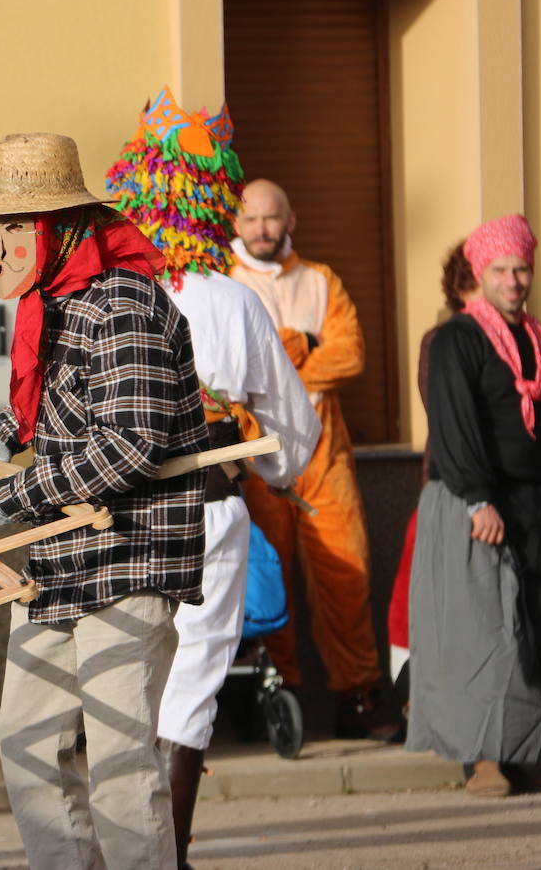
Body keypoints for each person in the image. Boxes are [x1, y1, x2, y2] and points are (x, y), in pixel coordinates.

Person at [0, 132, 208, 869]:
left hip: (129, 560)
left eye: (14, 225)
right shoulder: (53, 300)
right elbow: (53, 406)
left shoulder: (123, 302)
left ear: (61, 227)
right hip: (60, 560)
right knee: (26, 741)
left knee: (122, 765)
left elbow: (130, 442)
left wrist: (20, 490)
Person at [108, 90, 321, 867]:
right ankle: (167, 855)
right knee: (191, 687)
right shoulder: (234, 301)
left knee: (122, 681)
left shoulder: (103, 296)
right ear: (212, 197)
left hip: (116, 520)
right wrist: (272, 466)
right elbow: (294, 434)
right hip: (207, 516)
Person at [407, 214, 541, 797]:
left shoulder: (538, 341)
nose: (514, 280)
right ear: (480, 274)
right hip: (470, 501)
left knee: (534, 626)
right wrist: (477, 497)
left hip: (531, 503)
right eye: (502, 269)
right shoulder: (459, 338)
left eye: (522, 267)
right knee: (482, 632)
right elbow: (454, 424)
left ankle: (521, 751)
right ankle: (481, 759)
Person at [227, 179, 388, 737]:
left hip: (324, 454)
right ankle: (280, 689)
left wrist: (281, 353)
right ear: (234, 224)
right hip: (254, 455)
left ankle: (357, 695)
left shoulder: (322, 281)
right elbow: (233, 374)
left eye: (272, 218)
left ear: (291, 219)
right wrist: (307, 346)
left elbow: (352, 355)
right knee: (270, 580)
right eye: (252, 220)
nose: (263, 230)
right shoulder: (223, 283)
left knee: (348, 573)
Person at [385, 245, 478, 697]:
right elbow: (450, 420)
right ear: (462, 287)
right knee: (429, 601)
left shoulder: (528, 339)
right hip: (452, 490)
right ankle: (420, 698)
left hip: (515, 499)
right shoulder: (440, 341)